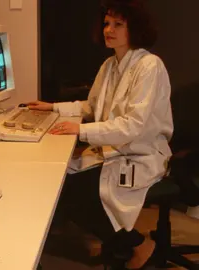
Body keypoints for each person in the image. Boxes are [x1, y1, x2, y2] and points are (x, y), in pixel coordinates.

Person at [29, 0, 173, 268]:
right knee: (61, 184)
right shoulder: (110, 65)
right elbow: (91, 106)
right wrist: (52, 107)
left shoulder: (149, 66)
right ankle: (121, 242)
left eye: (118, 24)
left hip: (141, 154)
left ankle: (141, 246)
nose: (109, 29)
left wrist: (81, 131)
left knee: (74, 193)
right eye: (107, 23)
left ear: (135, 28)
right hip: (116, 150)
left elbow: (132, 125)